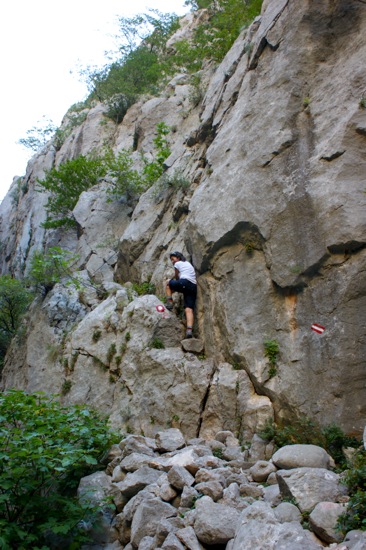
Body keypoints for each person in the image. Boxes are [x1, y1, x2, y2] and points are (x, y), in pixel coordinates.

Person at [165, 251, 197, 338]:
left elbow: (177, 277)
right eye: (171, 260)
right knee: (189, 309)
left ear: (178, 257)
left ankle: (169, 302)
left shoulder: (177, 263)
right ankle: (189, 330)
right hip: (193, 286)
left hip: (184, 282)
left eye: (173, 259)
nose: (172, 261)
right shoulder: (188, 264)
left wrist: (174, 285)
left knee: (168, 283)